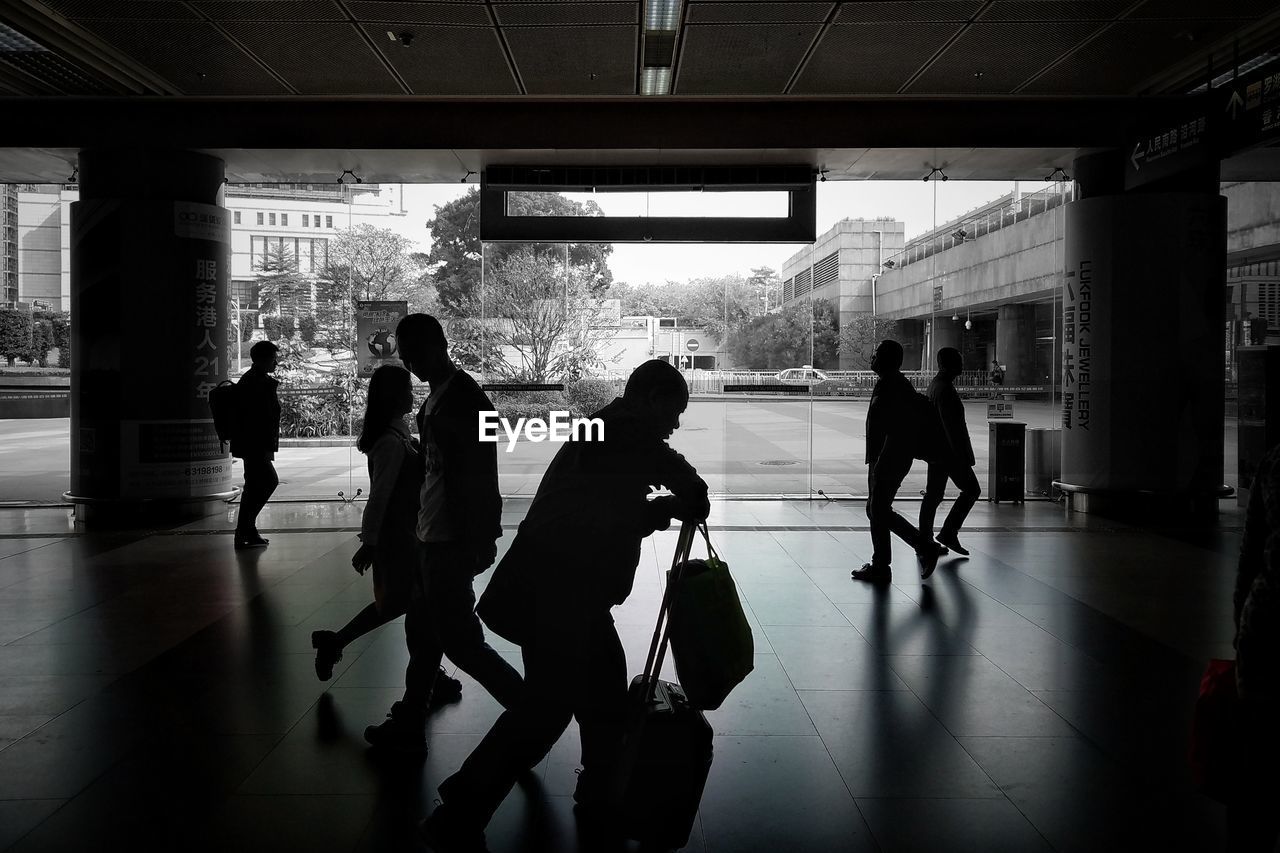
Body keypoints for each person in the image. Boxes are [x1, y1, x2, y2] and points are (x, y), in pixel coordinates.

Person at [418, 359, 710, 853]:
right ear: (651, 399)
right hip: (564, 593)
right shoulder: (626, 432)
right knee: (548, 710)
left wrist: (651, 512)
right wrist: (663, 509)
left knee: (592, 696)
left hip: (553, 588)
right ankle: (464, 808)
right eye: (673, 411)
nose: (674, 424)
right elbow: (691, 489)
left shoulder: (603, 428)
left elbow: (604, 508)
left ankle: (591, 791)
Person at [362, 314, 523, 753]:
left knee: (461, 644)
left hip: (449, 542)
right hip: (430, 536)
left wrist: (484, 536)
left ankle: (530, 717)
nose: (413, 364)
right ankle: (410, 721)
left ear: (442, 344)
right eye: (407, 356)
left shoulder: (468, 402)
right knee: (423, 636)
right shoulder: (436, 400)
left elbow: (483, 475)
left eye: (418, 353)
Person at [310, 364, 462, 707]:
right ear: (395, 397)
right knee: (407, 604)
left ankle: (422, 672)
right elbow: (379, 495)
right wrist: (371, 542)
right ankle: (341, 642)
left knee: (408, 605)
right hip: (399, 537)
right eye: (407, 389)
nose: (413, 394)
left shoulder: (396, 436)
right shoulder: (391, 443)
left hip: (407, 532)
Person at [852, 339, 942, 583]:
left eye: (877, 354)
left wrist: (881, 461)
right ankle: (885, 563)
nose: (872, 358)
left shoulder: (895, 387)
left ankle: (915, 550)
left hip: (889, 459)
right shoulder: (891, 384)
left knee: (878, 509)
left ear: (888, 359)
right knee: (876, 509)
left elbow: (897, 429)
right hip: (884, 457)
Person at [1230, 443, 1280, 851]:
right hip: (1265, 623)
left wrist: (1239, 619)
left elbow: (1250, 551)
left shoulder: (1275, 459)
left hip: (1266, 623)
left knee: (1257, 754)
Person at [919, 347, 981, 558]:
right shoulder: (944, 389)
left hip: (938, 452)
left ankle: (926, 540)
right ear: (951, 364)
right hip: (950, 454)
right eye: (959, 361)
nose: (962, 366)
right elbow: (951, 427)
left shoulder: (936, 386)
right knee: (972, 490)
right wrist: (962, 457)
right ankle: (948, 532)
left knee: (933, 496)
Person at [232, 340, 281, 550]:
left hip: (253, 443)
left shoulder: (253, 380)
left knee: (254, 485)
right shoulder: (255, 383)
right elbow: (258, 417)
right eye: (273, 358)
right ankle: (245, 529)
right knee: (268, 481)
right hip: (255, 443)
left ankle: (246, 530)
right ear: (262, 359)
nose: (276, 363)